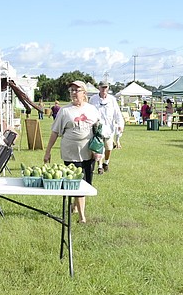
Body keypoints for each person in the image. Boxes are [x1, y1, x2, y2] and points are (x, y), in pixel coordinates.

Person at [44, 80, 101, 223]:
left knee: (86, 183)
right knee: (78, 182)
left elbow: (99, 131)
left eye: (77, 90)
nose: (74, 93)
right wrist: (48, 151)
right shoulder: (65, 111)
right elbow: (55, 132)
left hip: (89, 152)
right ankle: (82, 217)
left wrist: (99, 150)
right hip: (71, 152)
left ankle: (75, 207)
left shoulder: (92, 109)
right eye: (71, 91)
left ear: (84, 93)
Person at [89, 80, 125, 175]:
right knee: (99, 147)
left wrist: (120, 125)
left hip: (109, 128)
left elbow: (117, 113)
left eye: (105, 87)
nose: (103, 89)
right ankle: (100, 166)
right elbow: (89, 112)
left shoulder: (112, 100)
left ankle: (106, 162)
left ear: (108, 88)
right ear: (99, 88)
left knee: (109, 148)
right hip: (97, 128)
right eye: (102, 87)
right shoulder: (93, 99)